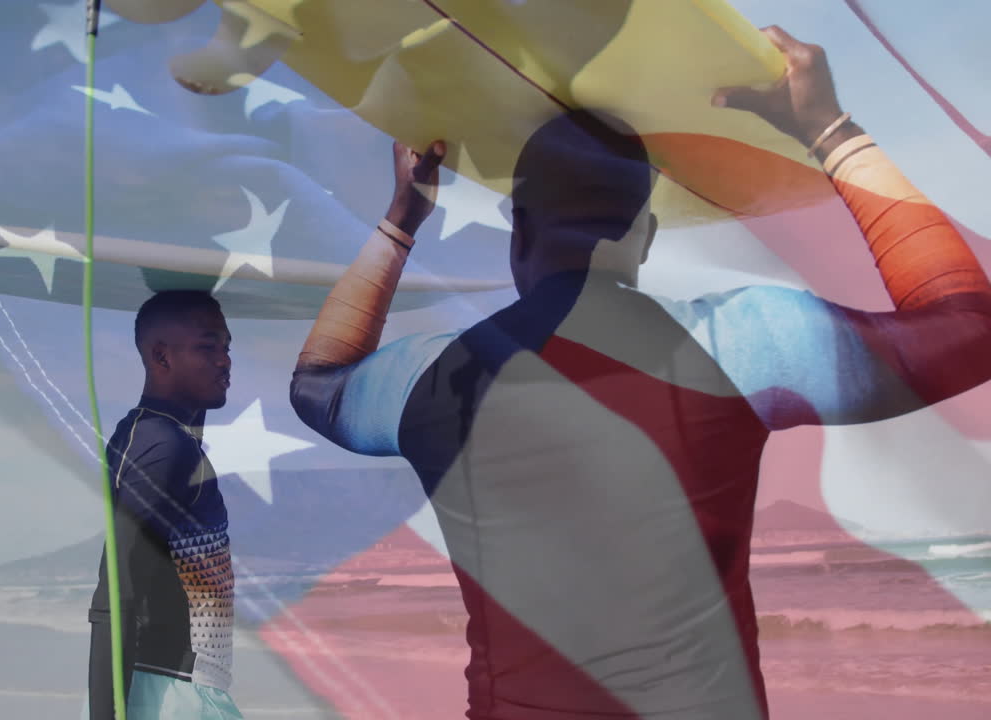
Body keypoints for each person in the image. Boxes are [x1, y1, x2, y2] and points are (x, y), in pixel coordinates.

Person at [289, 26, 991, 719]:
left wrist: (399, 224)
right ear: (644, 238)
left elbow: (319, 383)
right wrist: (833, 132)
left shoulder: (434, 377)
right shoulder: (741, 343)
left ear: (520, 229)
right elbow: (969, 329)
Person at [87, 290, 242, 720]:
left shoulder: (159, 437)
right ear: (161, 356)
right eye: (207, 347)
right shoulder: (161, 446)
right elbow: (116, 595)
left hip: (174, 693)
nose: (225, 361)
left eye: (226, 347)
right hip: (168, 699)